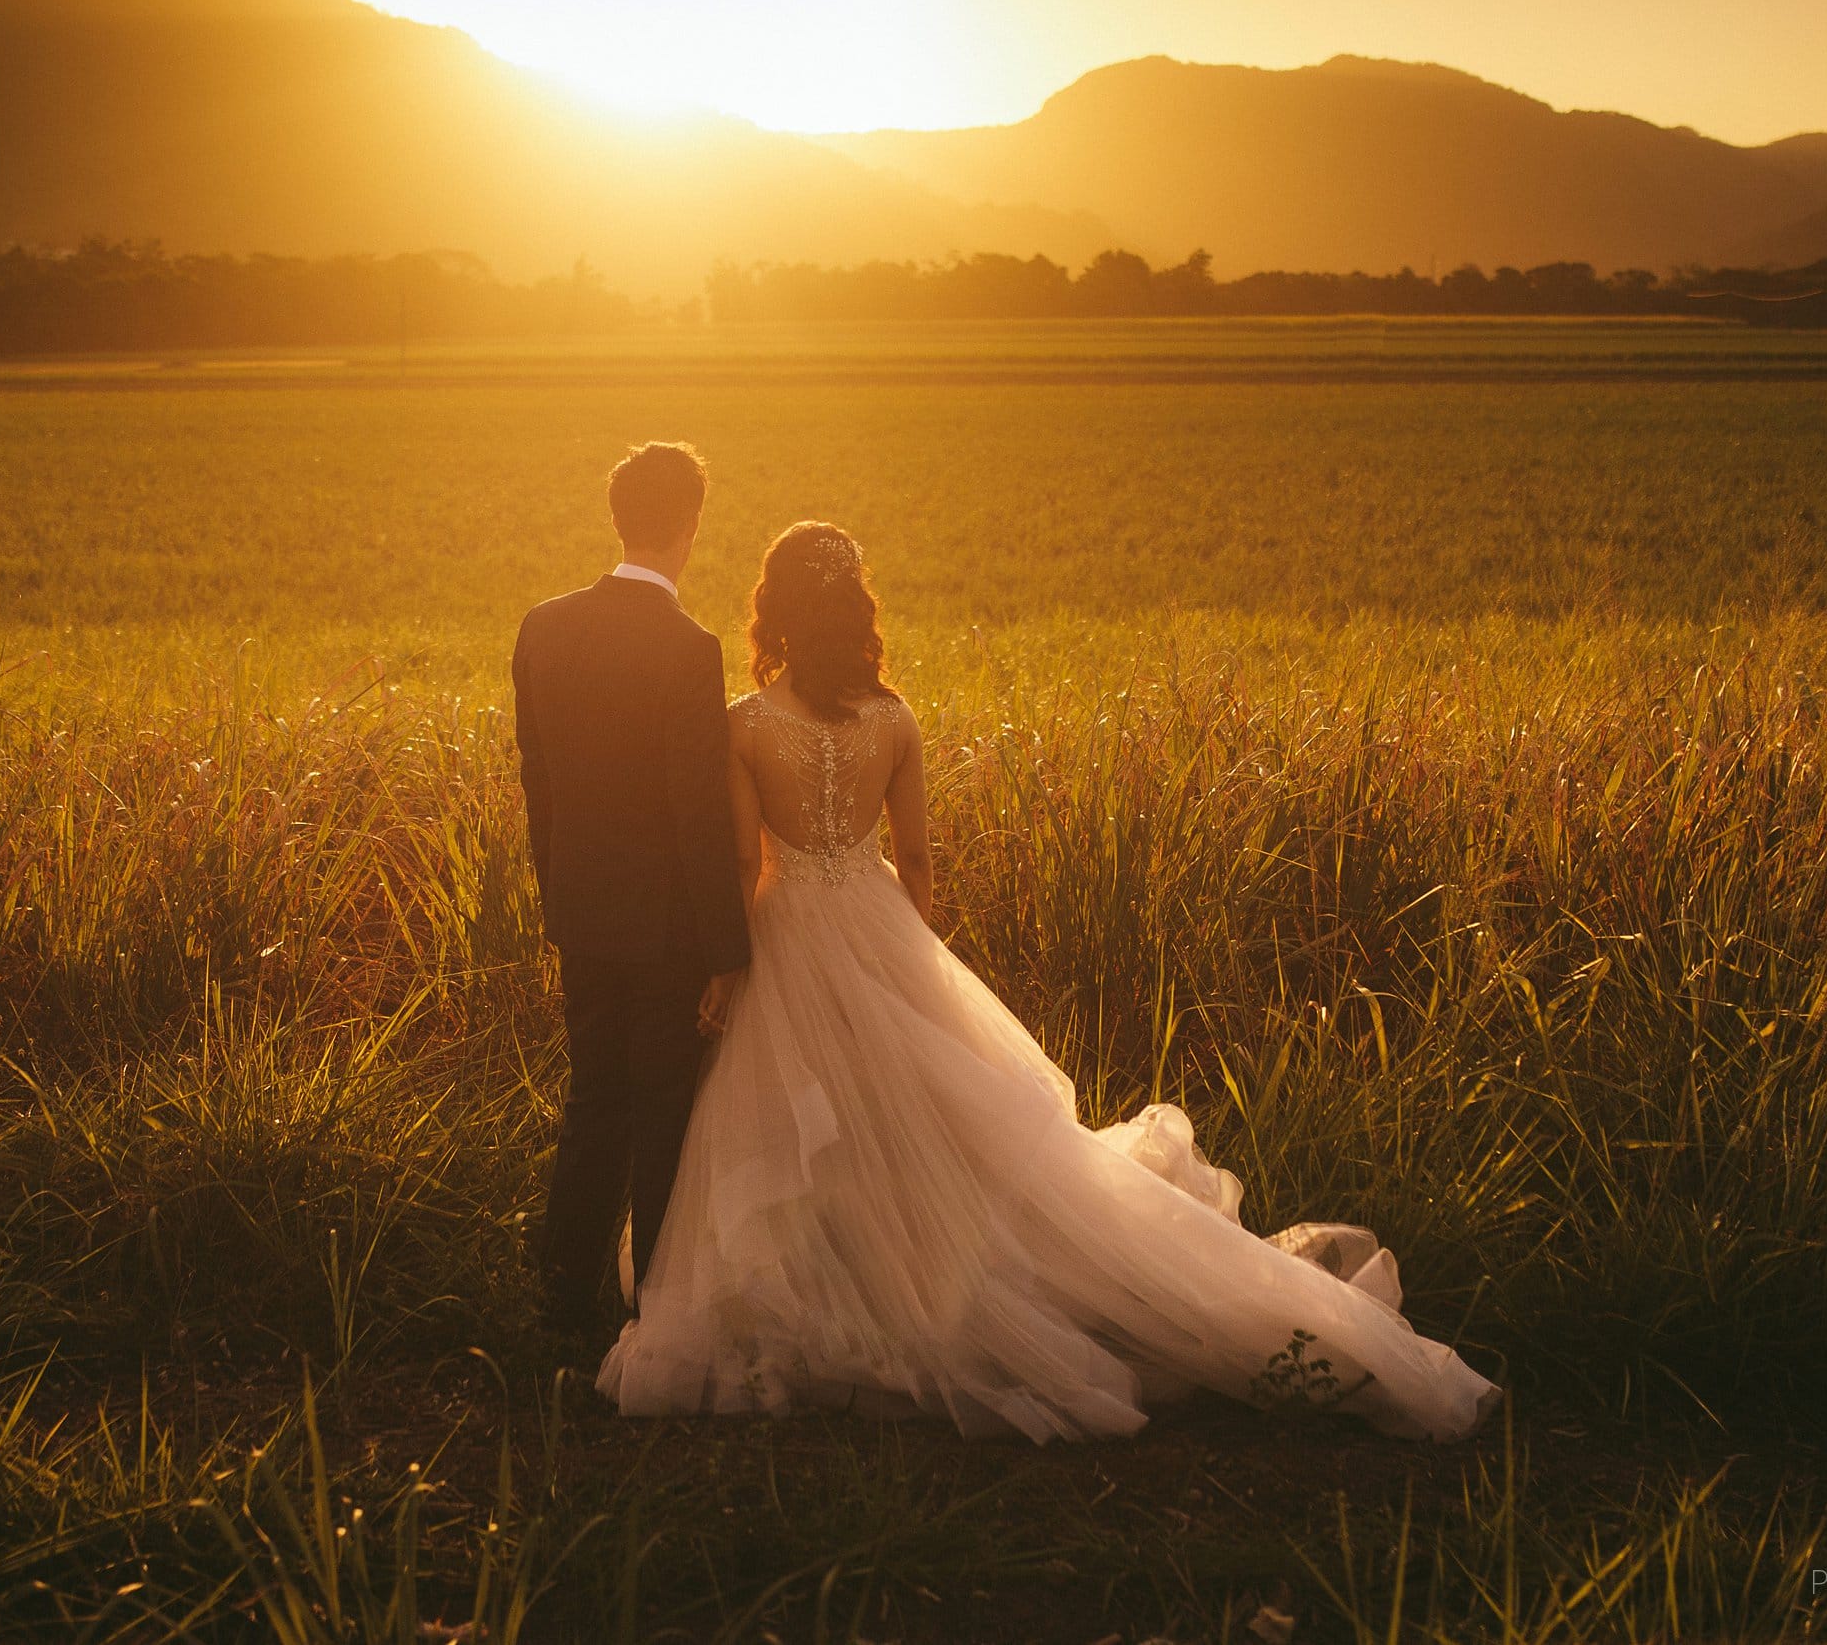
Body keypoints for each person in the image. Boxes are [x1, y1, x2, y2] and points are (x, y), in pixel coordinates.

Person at [597, 521, 1499, 1442]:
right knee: (923, 1128)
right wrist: (910, 960)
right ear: (853, 611)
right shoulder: (894, 718)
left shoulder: (746, 726)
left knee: (802, 1131)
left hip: (790, 936)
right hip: (878, 926)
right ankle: (927, 1284)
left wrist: (730, 971)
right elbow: (914, 857)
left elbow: (749, 866)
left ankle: (836, 1288)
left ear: (773, 610)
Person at [512, 442, 751, 1334]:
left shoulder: (545, 625)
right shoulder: (690, 649)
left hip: (582, 915)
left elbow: (538, 781)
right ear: (690, 528)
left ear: (617, 519)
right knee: (661, 1115)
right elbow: (697, 810)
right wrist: (727, 953)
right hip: (666, 934)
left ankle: (558, 1299)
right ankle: (654, 1314)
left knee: (591, 1101)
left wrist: (560, 901)